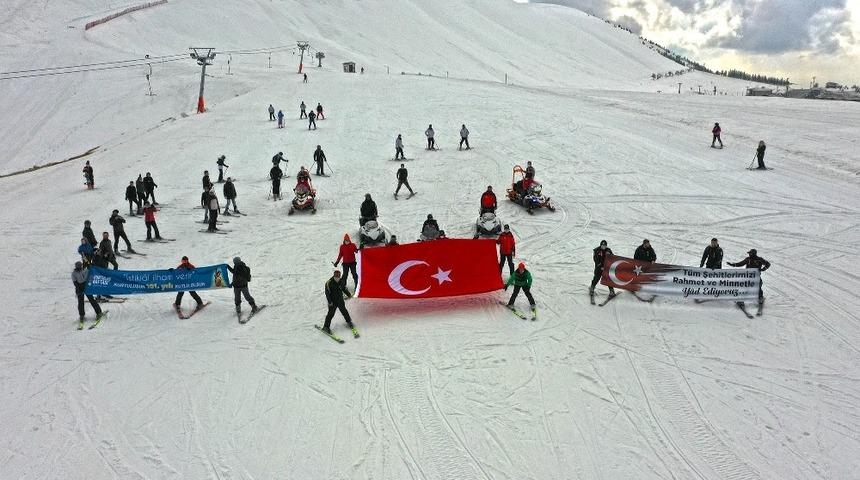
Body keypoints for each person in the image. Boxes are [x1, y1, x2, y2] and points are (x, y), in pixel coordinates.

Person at [322, 270, 354, 334]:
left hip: (340, 300)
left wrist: (349, 295)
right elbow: (327, 293)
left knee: (344, 311)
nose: (337, 277)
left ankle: (349, 322)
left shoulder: (341, 281)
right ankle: (326, 327)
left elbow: (344, 288)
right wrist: (330, 302)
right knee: (330, 314)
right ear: (334, 275)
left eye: (338, 276)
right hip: (332, 302)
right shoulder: (329, 282)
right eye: (336, 276)